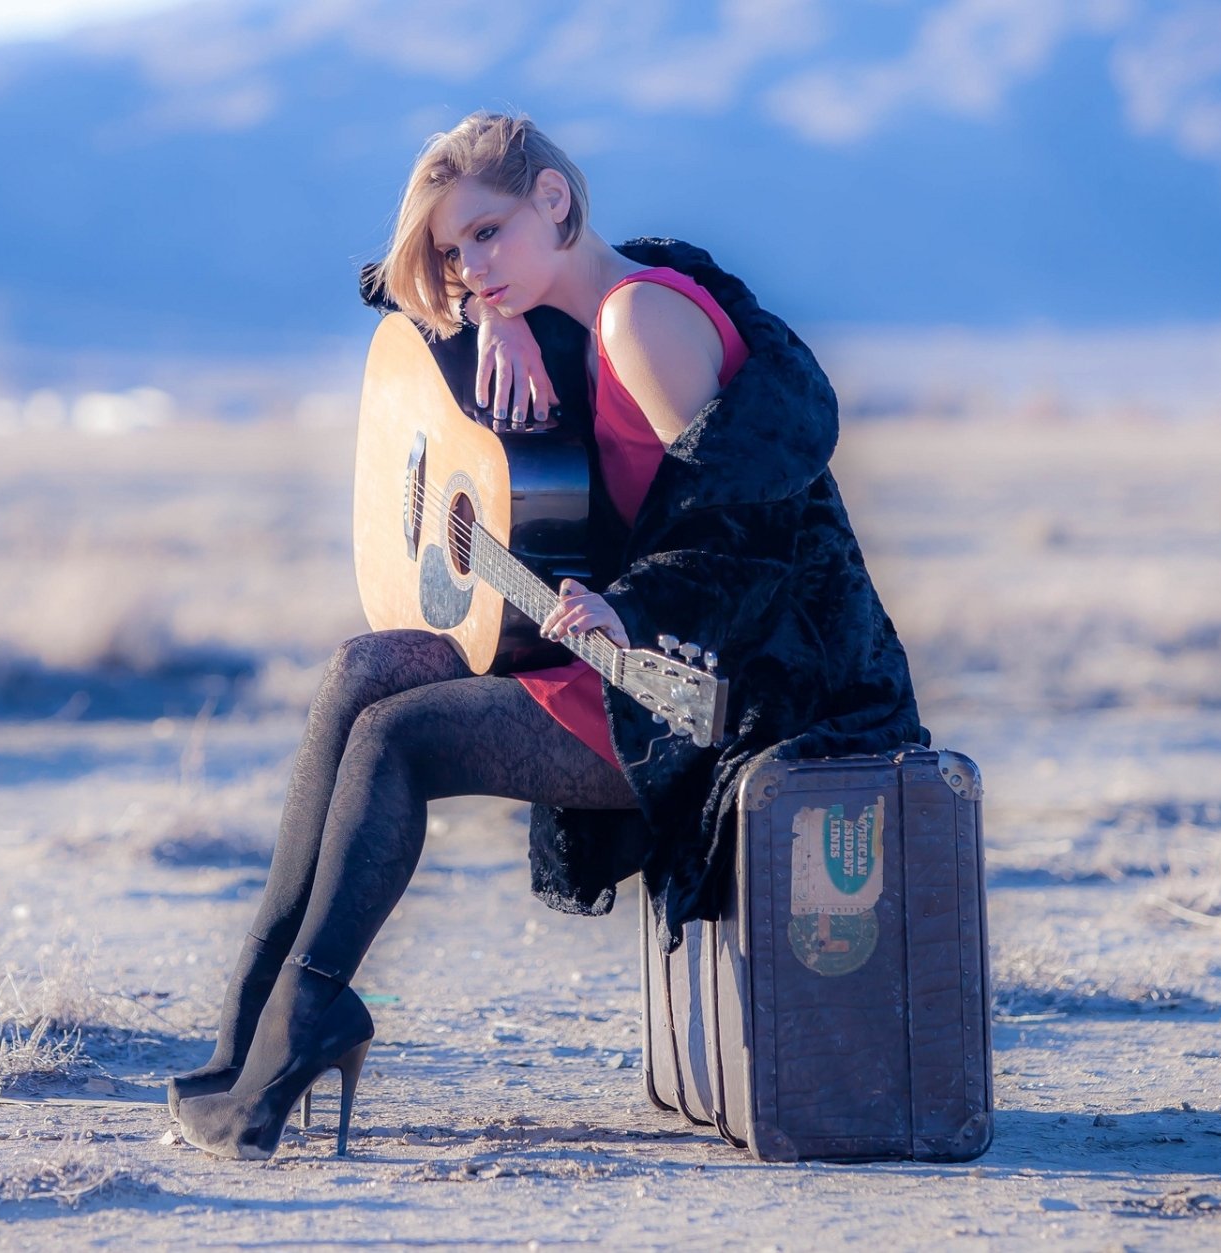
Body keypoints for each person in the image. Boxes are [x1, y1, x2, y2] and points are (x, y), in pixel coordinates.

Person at [169, 111, 925, 1161]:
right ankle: (246, 1036)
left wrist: (636, 606)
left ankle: (309, 1022)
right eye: (456, 251)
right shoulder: (572, 302)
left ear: (555, 200)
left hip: (732, 692)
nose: (470, 267)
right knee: (363, 671)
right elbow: (391, 283)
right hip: (643, 654)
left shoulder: (638, 321)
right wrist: (496, 319)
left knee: (400, 737)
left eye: (487, 234)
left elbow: (754, 528)